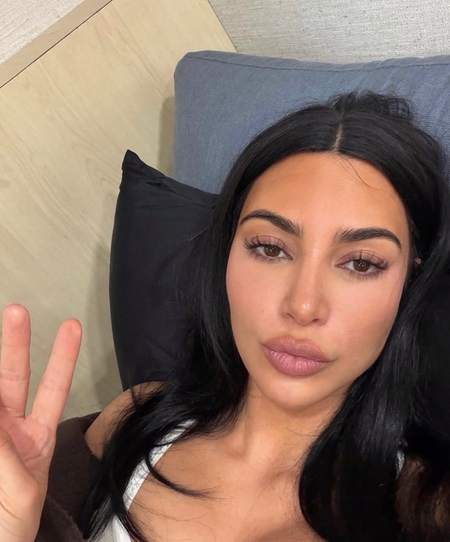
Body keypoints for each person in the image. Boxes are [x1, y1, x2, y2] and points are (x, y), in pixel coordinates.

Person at [0, 91, 448, 542]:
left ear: (411, 282)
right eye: (269, 249)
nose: (303, 305)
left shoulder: (427, 508)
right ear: (227, 254)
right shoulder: (135, 420)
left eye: (362, 263)